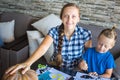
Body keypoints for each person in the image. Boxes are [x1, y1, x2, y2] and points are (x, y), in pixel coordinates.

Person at [6, 3, 92, 75]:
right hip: (56, 69)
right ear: (61, 18)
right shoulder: (54, 31)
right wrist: (27, 63)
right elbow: (43, 47)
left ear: (78, 19)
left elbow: (89, 55)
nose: (69, 19)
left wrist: (85, 64)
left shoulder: (85, 34)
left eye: (73, 16)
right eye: (66, 16)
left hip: (76, 71)